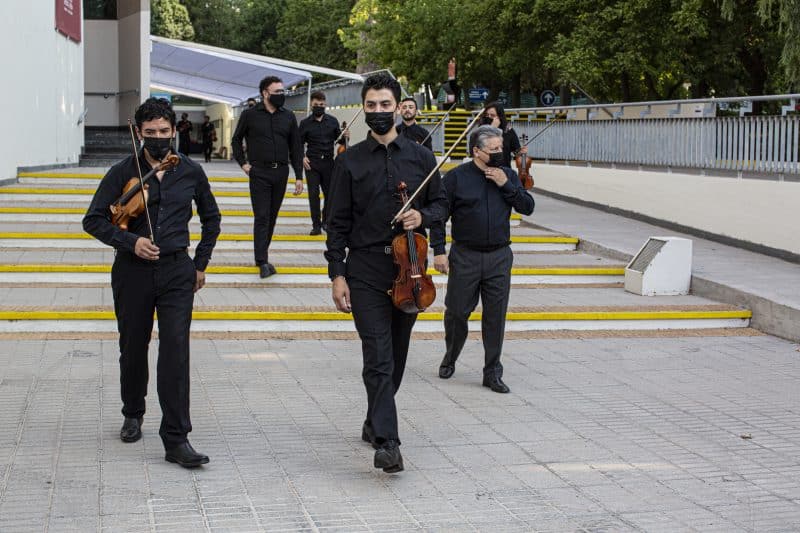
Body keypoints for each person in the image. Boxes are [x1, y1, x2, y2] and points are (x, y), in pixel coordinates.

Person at [82, 97, 221, 467]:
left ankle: (176, 438)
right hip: (132, 271)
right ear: (139, 133)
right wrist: (131, 242)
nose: (158, 138)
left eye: (163, 131)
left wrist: (200, 263)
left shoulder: (190, 171)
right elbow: (93, 220)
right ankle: (133, 411)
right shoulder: (122, 171)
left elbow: (212, 219)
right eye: (150, 132)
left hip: (177, 270)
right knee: (133, 346)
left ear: (173, 131)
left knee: (175, 351)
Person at [325, 72, 447, 473]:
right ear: (363, 108)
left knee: (395, 357)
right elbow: (336, 223)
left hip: (409, 269)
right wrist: (337, 274)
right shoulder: (348, 161)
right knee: (377, 355)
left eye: (385, 104)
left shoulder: (422, 158)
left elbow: (442, 205)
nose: (378, 111)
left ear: (398, 107)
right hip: (364, 269)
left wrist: (421, 216)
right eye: (371, 105)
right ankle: (388, 443)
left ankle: (373, 420)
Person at [431, 125, 534, 394]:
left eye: (501, 148)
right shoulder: (456, 178)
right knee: (456, 312)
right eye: (494, 149)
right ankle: (451, 356)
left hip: (499, 256)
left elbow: (528, 206)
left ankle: (492, 372)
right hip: (465, 255)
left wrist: (505, 184)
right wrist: (439, 250)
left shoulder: (508, 175)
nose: (500, 152)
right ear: (477, 151)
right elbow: (439, 216)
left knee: (495, 316)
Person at [231, 76, 304, 278]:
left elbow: (296, 147)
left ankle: (262, 255)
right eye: (277, 91)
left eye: (282, 91)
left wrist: (299, 176)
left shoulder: (288, 116)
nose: (281, 94)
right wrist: (243, 164)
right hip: (259, 172)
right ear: (265, 93)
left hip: (281, 172)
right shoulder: (250, 115)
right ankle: (262, 260)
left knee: (271, 217)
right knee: (262, 216)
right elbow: (236, 140)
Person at [298, 90, 347, 235]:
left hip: (328, 163)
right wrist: (302, 157)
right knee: (313, 195)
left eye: (321, 104)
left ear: (325, 105)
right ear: (311, 105)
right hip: (311, 164)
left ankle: (326, 221)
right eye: (316, 104)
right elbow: (297, 144)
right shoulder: (305, 123)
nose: (319, 107)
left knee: (329, 194)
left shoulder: (333, 121)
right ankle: (316, 225)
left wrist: (346, 136)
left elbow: (340, 140)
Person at [480, 101, 527, 168]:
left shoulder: (508, 130)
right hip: (485, 168)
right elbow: (481, 146)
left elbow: (516, 152)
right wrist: (492, 129)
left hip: (504, 168)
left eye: (492, 115)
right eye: (487, 115)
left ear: (499, 117)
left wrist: (520, 152)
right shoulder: (481, 129)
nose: (489, 117)